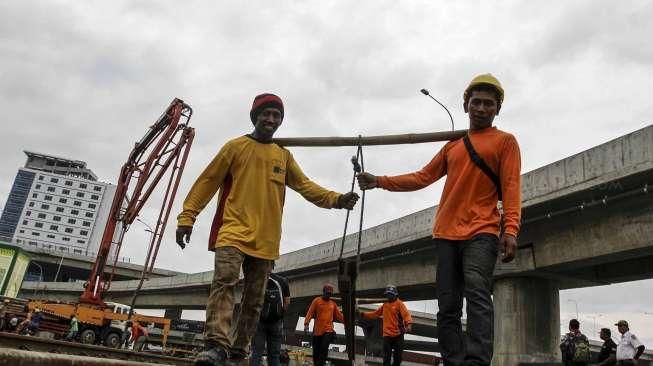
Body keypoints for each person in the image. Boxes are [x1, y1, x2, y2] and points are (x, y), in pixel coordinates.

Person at [176, 93, 359, 366]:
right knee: (224, 283)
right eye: (266, 114)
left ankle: (238, 351)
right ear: (255, 117)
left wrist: (337, 199)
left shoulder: (283, 156)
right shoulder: (235, 147)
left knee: (254, 300)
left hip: (266, 240)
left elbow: (306, 186)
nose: (271, 119)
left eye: (276, 115)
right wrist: (187, 217)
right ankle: (215, 345)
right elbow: (207, 181)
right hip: (233, 232)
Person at [357, 73, 521, 365]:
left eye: (488, 104)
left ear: (497, 109)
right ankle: (453, 359)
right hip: (445, 233)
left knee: (477, 295)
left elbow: (510, 187)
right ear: (465, 105)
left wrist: (510, 229)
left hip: (482, 231)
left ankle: (477, 360)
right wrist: (378, 181)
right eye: (476, 102)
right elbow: (421, 177)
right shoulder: (452, 146)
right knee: (447, 306)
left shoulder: (505, 142)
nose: (481, 108)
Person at [360, 285, 412, 366]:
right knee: (386, 358)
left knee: (398, 358)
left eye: (390, 294)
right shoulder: (385, 305)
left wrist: (408, 324)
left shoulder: (399, 304)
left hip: (398, 335)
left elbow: (406, 315)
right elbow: (375, 314)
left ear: (395, 295)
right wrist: (363, 314)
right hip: (387, 335)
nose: (388, 296)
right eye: (387, 294)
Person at [249, 272, 290, 366]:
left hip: (260, 322)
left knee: (256, 353)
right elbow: (287, 302)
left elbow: (251, 301)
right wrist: (280, 316)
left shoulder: (258, 279)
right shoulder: (283, 281)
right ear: (273, 265)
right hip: (276, 323)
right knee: (274, 355)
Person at [304, 284, 344, 366]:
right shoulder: (317, 301)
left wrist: (348, 322)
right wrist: (306, 324)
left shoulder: (333, 304)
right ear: (323, 292)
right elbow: (310, 312)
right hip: (317, 331)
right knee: (316, 353)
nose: (328, 295)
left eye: (330, 294)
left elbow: (340, 316)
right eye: (327, 293)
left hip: (328, 330)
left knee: (324, 348)